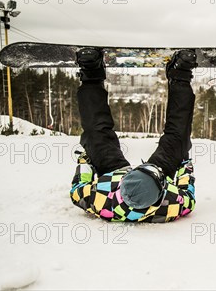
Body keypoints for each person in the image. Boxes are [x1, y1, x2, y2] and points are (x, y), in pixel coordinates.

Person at [70, 48, 197, 222]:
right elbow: (187, 189)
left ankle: (91, 72)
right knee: (177, 138)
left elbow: (78, 188)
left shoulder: (100, 198)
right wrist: (183, 162)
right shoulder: (172, 203)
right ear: (162, 190)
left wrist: (86, 160)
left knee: (96, 135)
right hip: (144, 179)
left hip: (113, 175)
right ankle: (180, 74)